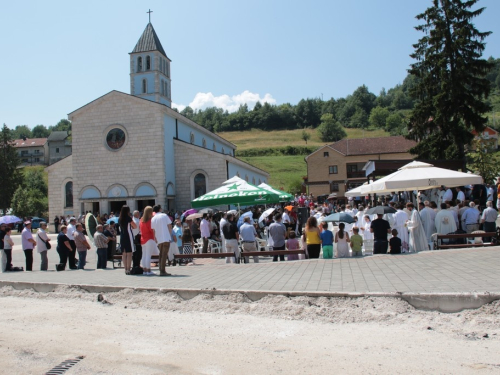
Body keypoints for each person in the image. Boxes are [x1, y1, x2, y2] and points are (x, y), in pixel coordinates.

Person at [151, 205, 172, 276]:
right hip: (166, 237)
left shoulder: (153, 218)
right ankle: (162, 271)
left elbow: (153, 230)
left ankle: (161, 269)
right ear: (159, 209)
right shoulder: (164, 215)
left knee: (161, 254)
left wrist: (155, 238)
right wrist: (169, 234)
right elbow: (169, 226)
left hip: (159, 238)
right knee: (164, 254)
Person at [118, 205, 138, 274]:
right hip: (129, 235)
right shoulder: (128, 218)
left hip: (122, 236)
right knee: (129, 253)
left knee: (124, 253)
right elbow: (135, 226)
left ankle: (125, 269)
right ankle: (128, 269)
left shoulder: (120, 218)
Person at [140, 206, 156, 276]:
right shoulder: (150, 221)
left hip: (143, 239)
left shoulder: (141, 220)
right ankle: (148, 270)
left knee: (144, 255)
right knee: (148, 256)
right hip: (149, 239)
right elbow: (152, 230)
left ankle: (145, 270)